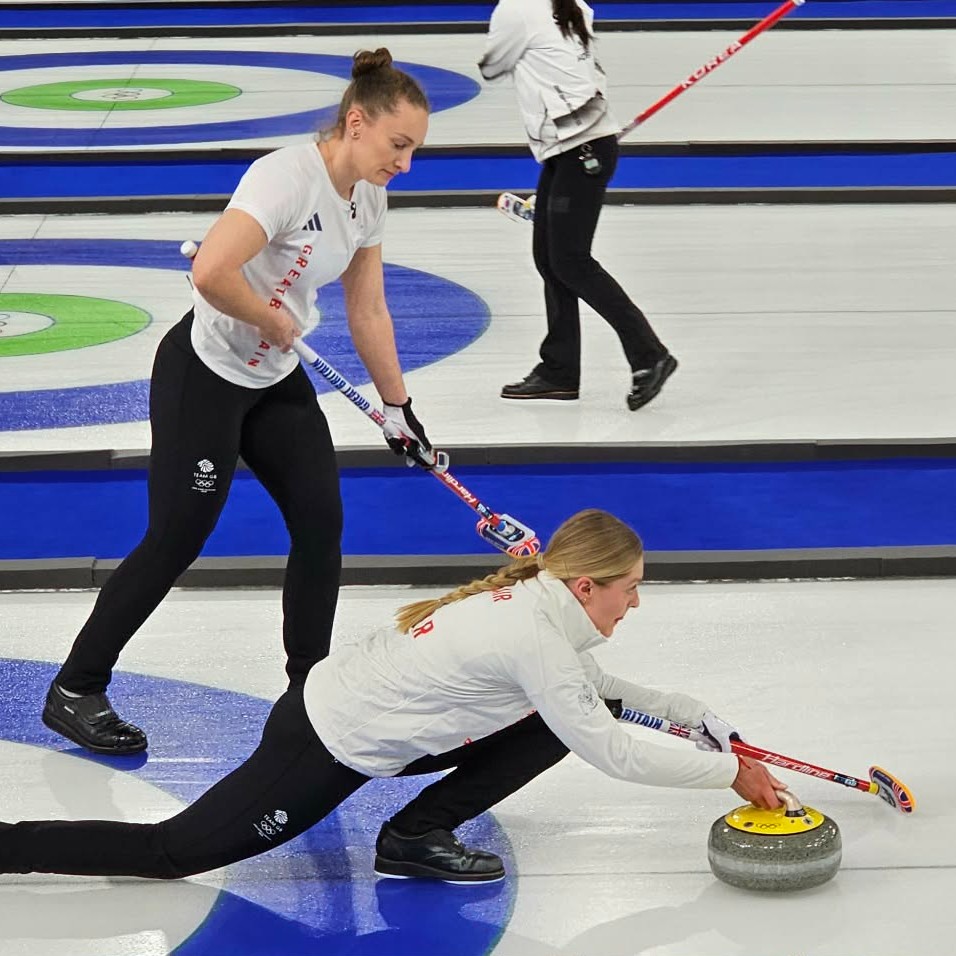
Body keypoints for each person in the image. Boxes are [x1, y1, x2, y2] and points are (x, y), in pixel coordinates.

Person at [4, 510, 785, 885]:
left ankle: (414, 835)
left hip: (366, 723)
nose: (636, 606)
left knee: (573, 715)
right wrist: (730, 776)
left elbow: (593, 695)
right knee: (175, 853)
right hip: (319, 743)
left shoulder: (548, 606)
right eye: (631, 591)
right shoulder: (537, 635)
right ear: (587, 585)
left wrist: (690, 715)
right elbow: (608, 752)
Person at [41, 48, 439, 757]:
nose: (404, 163)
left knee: (321, 525)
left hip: (275, 378)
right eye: (398, 145)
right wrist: (267, 316)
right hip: (206, 373)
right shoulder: (284, 178)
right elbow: (210, 271)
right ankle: (76, 686)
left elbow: (368, 307)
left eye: (413, 151)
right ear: (356, 123)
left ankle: (306, 699)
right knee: (177, 538)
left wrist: (398, 409)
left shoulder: (368, 198)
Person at [479, 0, 678, 410]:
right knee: (550, 258)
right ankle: (560, 369)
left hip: (580, 150)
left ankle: (649, 354)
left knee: (569, 261)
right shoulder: (572, 5)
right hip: (577, 146)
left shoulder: (515, 10)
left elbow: (491, 65)